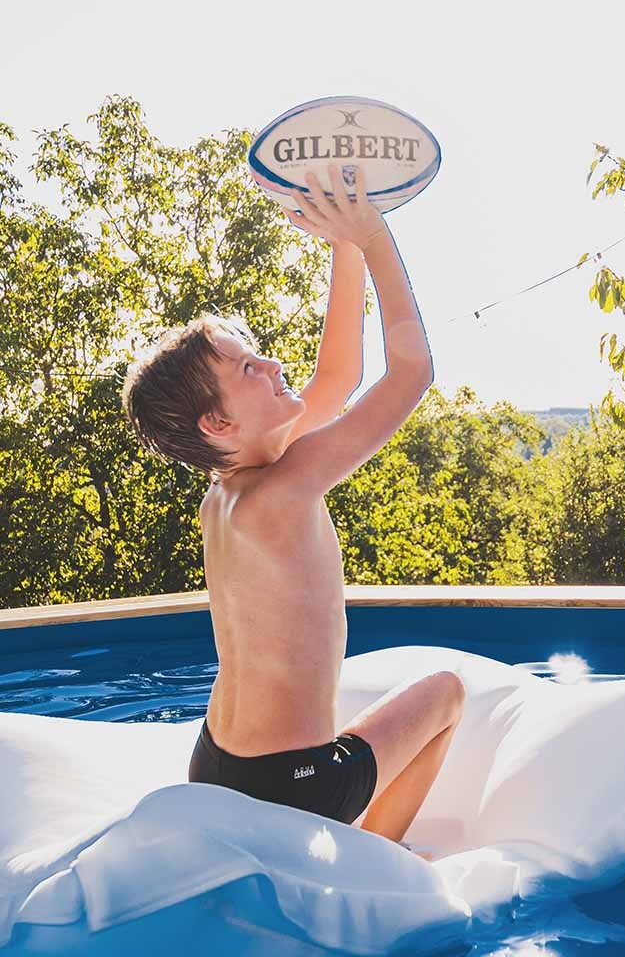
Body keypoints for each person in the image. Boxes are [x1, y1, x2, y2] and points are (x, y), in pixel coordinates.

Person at [121, 163, 464, 847]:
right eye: (249, 369)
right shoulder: (283, 491)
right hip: (294, 785)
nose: (275, 366)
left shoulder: (232, 490)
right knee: (446, 692)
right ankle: (382, 859)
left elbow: (338, 376)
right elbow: (411, 374)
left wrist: (344, 242)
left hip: (214, 764)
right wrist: (375, 236)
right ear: (220, 423)